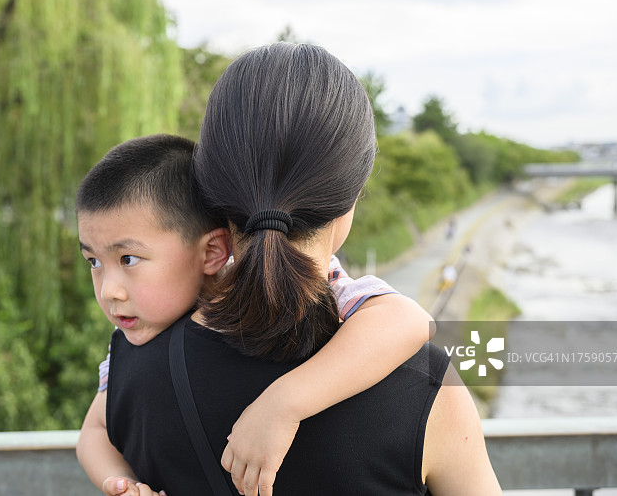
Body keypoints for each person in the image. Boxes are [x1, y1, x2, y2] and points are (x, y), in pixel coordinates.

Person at [90, 42, 502, 495]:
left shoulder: (134, 363)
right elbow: (414, 320)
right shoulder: (424, 384)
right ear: (350, 197)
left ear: (212, 191)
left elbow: (95, 440)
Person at [75, 134, 435, 495]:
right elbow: (94, 431)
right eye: (93, 262)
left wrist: (283, 404)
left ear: (214, 251)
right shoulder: (127, 347)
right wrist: (123, 484)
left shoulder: (283, 275)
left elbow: (409, 320)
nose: (108, 291)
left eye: (129, 260)